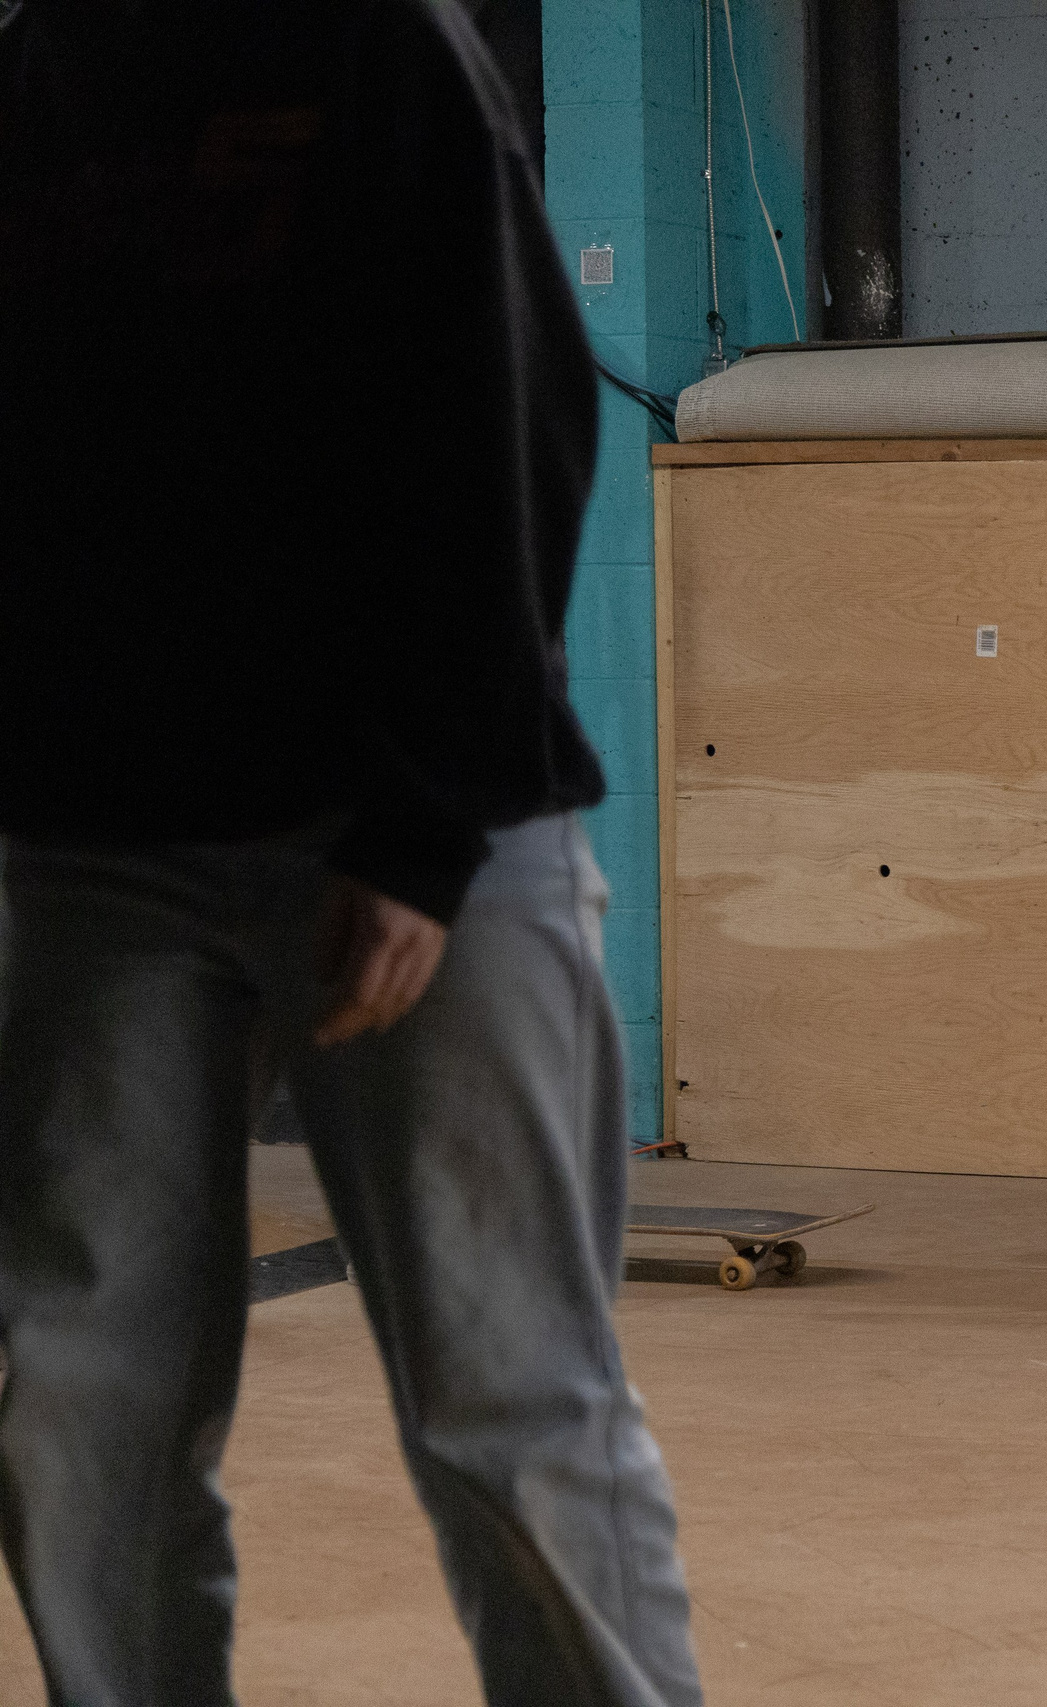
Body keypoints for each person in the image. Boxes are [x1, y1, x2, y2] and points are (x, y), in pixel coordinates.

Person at [0, 3, 702, 1702]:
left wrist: (424, 815)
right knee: (75, 1403)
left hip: (415, 828)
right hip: (102, 839)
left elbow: (503, 407)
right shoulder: (41, 70)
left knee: (508, 1395)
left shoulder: (375, 44)